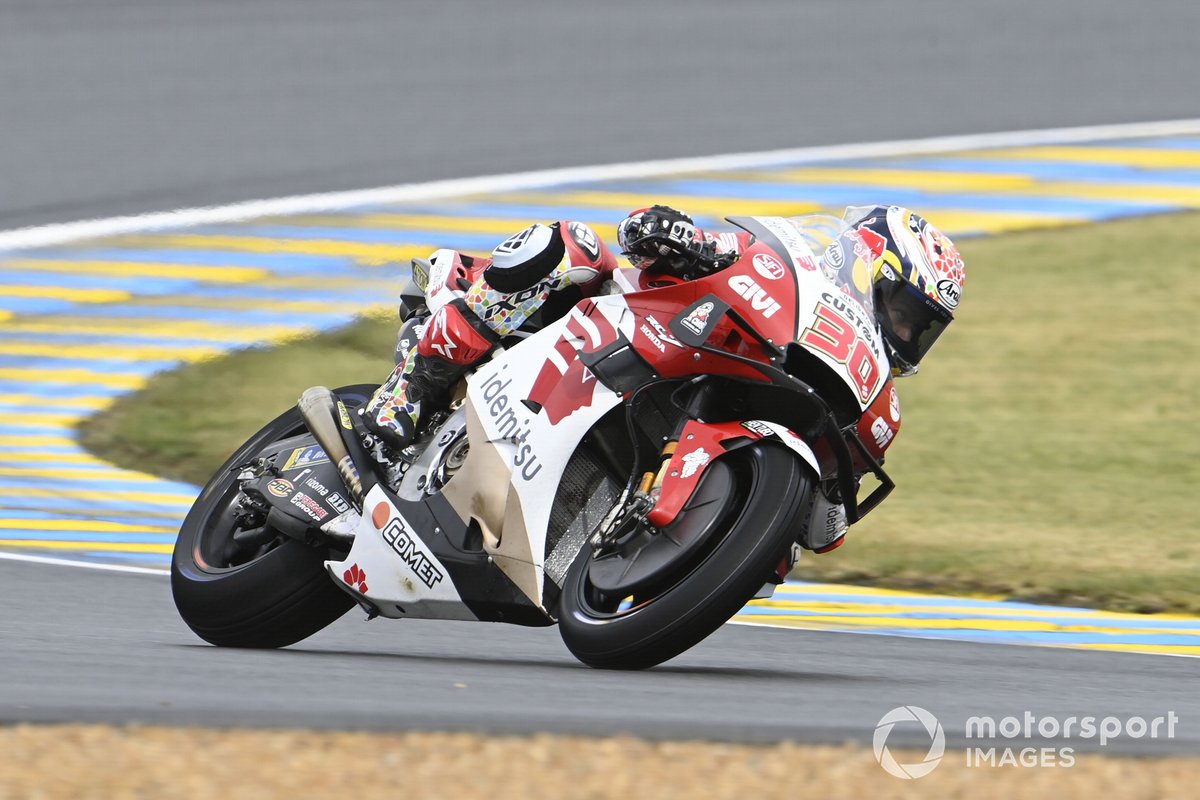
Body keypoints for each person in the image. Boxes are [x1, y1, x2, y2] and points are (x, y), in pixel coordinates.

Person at [361, 203, 963, 451]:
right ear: (866, 266)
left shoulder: (872, 399)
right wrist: (675, 234)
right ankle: (416, 382)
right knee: (576, 248)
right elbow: (639, 233)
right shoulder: (784, 264)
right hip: (601, 330)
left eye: (922, 330)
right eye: (904, 313)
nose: (907, 336)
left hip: (654, 419)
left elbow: (826, 533)